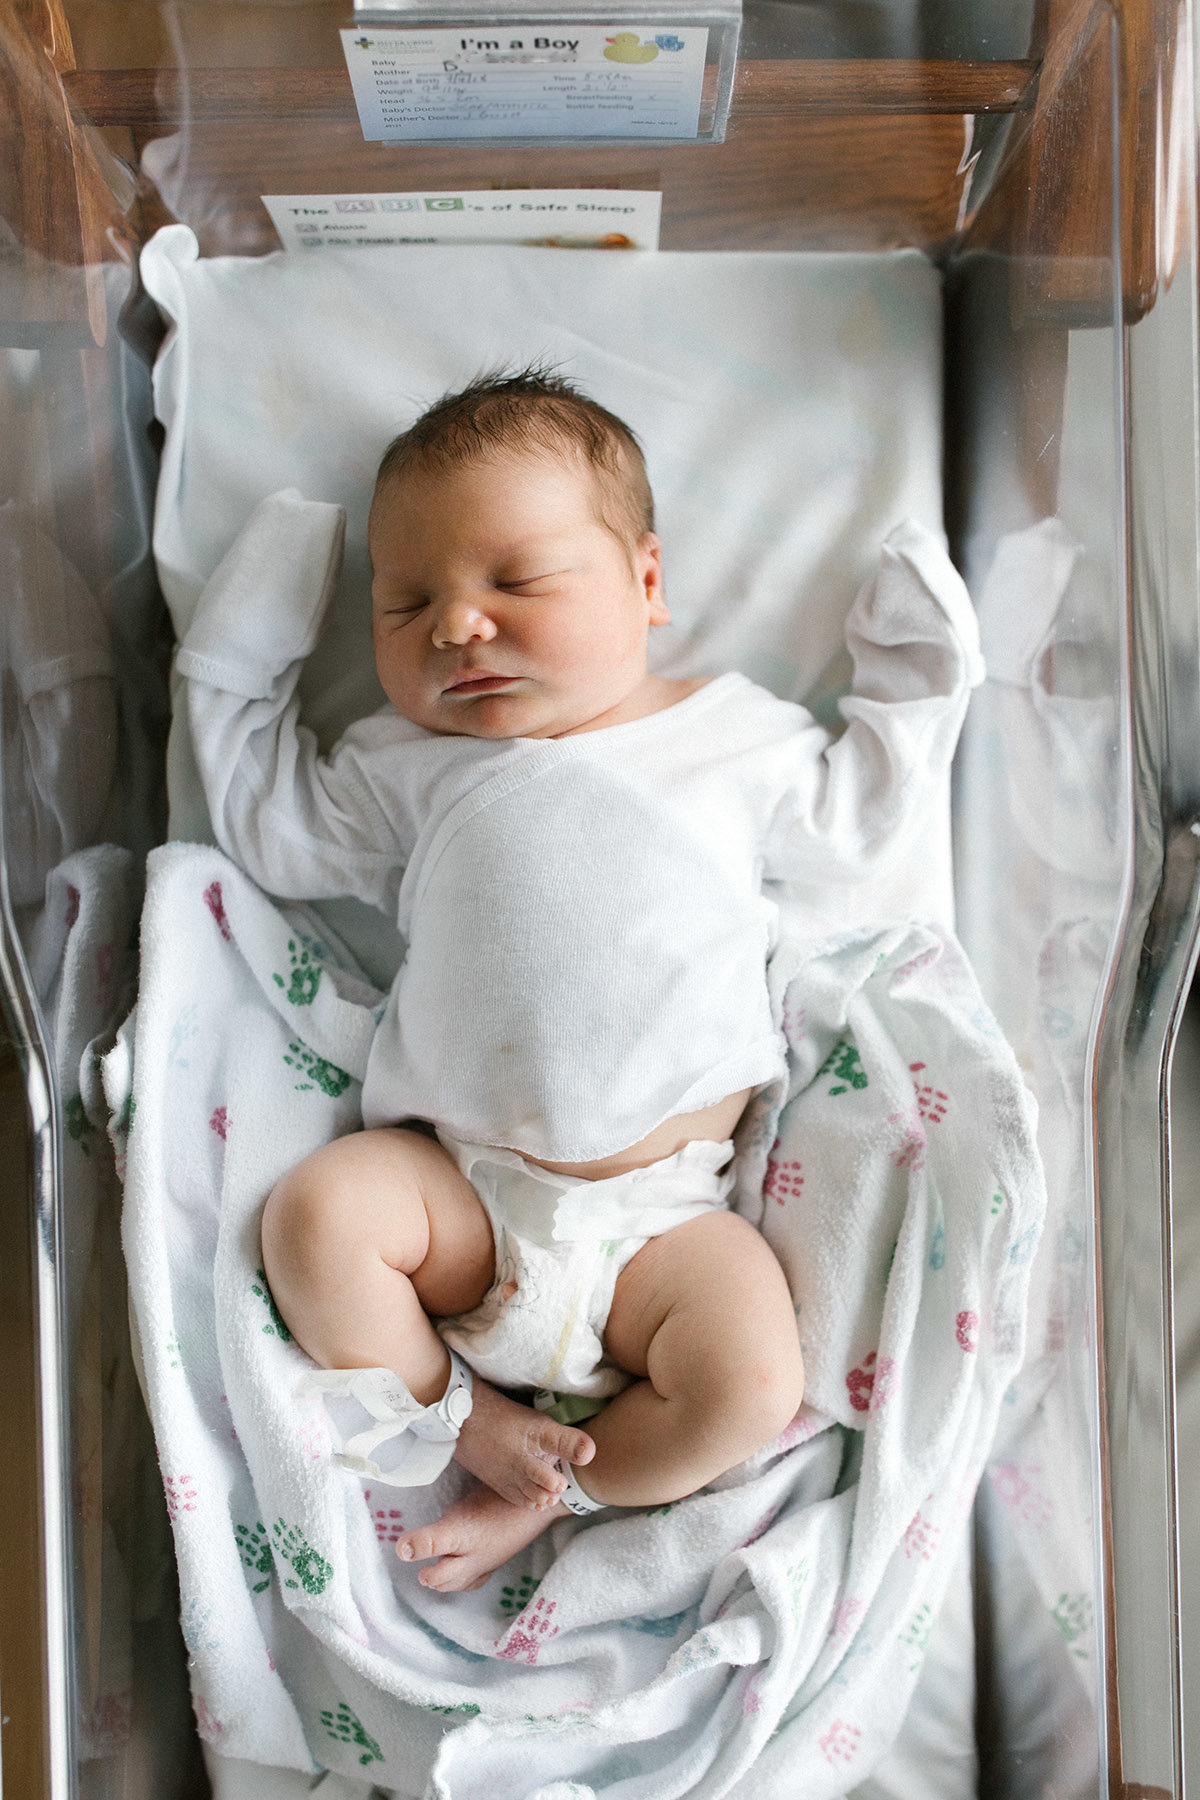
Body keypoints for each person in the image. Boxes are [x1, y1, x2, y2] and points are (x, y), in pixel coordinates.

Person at [177, 368, 983, 1593]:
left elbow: (868, 828)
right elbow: (264, 822)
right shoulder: (406, 764)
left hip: (666, 1225)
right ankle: (465, 1424)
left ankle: (563, 1489)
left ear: (647, 583)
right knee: (318, 1217)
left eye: (516, 581)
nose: (456, 625)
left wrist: (918, 664)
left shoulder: (734, 738)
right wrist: (245, 634)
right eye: (404, 604)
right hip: (463, 1200)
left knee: (754, 1378)